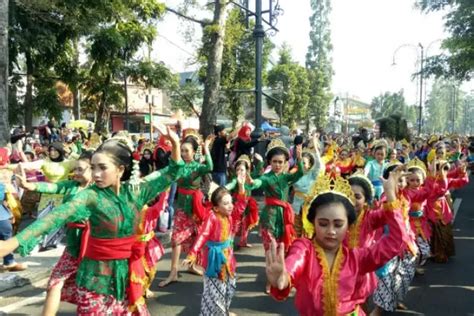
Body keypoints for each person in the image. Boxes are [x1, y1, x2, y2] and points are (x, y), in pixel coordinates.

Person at [0, 126, 183, 315]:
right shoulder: (90, 196)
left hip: (124, 277)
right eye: (93, 167)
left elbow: (172, 172)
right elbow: (55, 217)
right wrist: (11, 243)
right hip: (94, 278)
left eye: (102, 168)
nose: (96, 174)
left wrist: (176, 144)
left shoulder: (138, 191)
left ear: (120, 170)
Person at [265, 169, 406, 316]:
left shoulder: (357, 258)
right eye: (323, 224)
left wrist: (390, 195)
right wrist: (285, 276)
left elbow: (396, 240)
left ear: (348, 226)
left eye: (338, 225)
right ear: (313, 222)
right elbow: (295, 260)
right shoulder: (305, 249)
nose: (331, 231)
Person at [16, 151, 94, 316]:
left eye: (81, 169)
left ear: (93, 170)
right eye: (75, 169)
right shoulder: (71, 185)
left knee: (95, 290)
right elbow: (53, 186)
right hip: (73, 246)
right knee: (54, 283)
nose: (76, 173)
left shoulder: (100, 190)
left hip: (95, 247)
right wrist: (31, 186)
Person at [183, 180, 247, 316]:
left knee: (230, 287)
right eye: (226, 203)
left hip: (228, 257)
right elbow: (203, 235)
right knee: (215, 291)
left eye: (231, 202)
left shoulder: (230, 215)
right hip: (214, 259)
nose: (230, 206)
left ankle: (222, 311)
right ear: (216, 208)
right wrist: (192, 254)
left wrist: (241, 186)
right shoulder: (212, 217)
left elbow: (241, 207)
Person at [159, 133, 213, 288]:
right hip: (182, 207)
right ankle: (173, 272)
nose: (183, 153)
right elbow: (170, 164)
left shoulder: (198, 167)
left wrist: (206, 148)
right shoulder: (179, 165)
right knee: (176, 238)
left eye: (186, 151)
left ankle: (191, 265)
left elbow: (210, 167)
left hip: (196, 207)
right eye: (182, 150)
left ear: (194, 151)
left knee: (197, 237)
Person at [0, 182, 27, 272]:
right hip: (2, 217)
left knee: (6, 236)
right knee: (6, 236)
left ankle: (9, 262)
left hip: (2, 216)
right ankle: (9, 262)